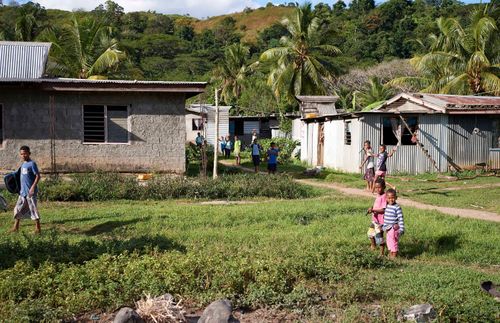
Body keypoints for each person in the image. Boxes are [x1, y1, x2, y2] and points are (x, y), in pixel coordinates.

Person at [11, 146, 41, 234]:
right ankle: (15, 227)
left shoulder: (32, 164)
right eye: (21, 154)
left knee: (33, 209)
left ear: (29, 153)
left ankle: (38, 229)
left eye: (25, 153)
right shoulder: (23, 164)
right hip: (23, 192)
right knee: (17, 209)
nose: (23, 155)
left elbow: (38, 176)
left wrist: (32, 188)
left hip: (30, 193)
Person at [383, 189, 405, 259]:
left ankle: (394, 255)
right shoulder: (387, 206)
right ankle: (390, 254)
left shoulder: (397, 207)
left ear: (396, 198)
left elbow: (400, 218)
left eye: (393, 198)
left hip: (394, 228)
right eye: (389, 198)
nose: (391, 199)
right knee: (389, 241)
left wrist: (401, 228)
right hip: (387, 228)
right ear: (386, 198)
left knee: (393, 242)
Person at [366, 180, 386, 256]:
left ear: (384, 187)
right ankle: (373, 246)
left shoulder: (384, 197)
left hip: (380, 222)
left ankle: (381, 254)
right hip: (375, 220)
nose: (377, 189)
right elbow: (376, 205)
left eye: (379, 187)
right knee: (370, 234)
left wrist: (373, 210)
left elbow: (383, 210)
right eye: (376, 187)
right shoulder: (378, 195)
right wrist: (371, 207)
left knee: (379, 238)